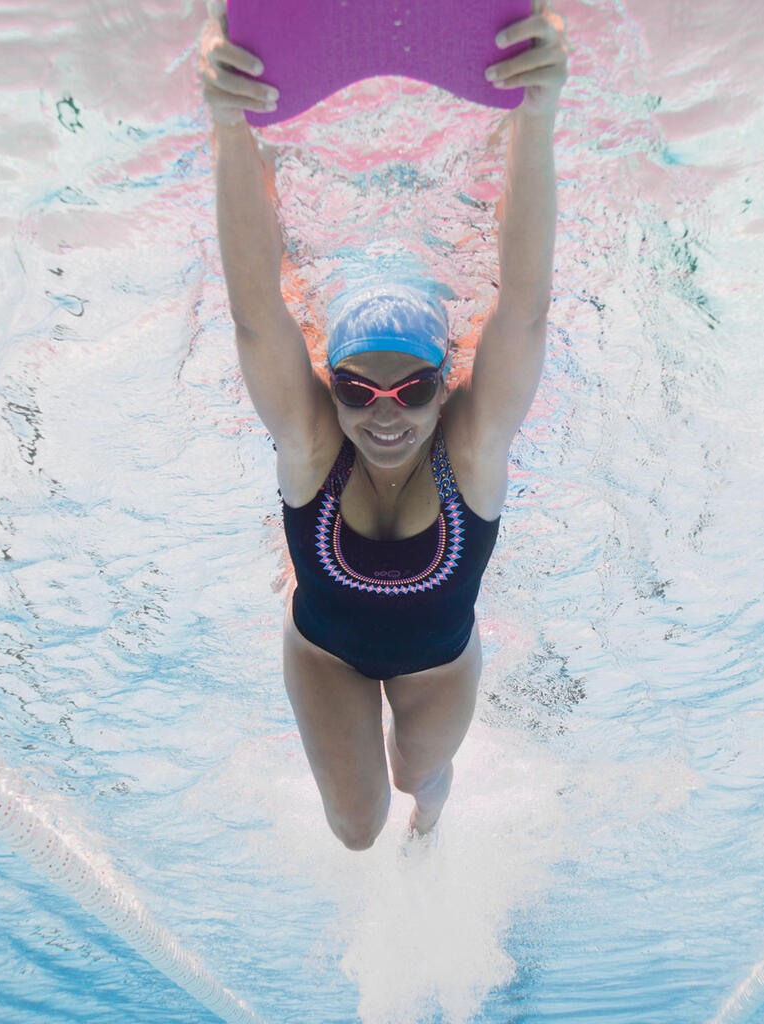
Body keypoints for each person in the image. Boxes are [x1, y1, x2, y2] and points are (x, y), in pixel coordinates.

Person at [199, 1, 568, 850]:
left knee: (417, 778)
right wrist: (231, 132)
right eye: (358, 390)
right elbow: (257, 317)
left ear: (448, 388)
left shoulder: (470, 453)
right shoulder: (313, 444)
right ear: (331, 386)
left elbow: (525, 307)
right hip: (324, 653)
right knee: (357, 828)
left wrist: (537, 117)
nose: (384, 413)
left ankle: (433, 820)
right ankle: (393, 821)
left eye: (412, 391)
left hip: (440, 664)